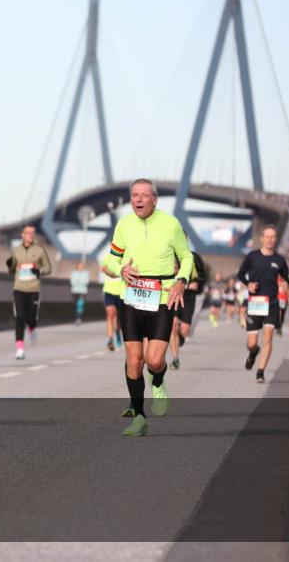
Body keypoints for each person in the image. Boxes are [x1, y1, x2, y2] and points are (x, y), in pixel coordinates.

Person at [104, 179, 192, 437]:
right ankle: (140, 417)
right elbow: (111, 259)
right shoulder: (123, 224)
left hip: (162, 297)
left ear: (155, 199)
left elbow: (186, 256)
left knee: (154, 361)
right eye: (134, 195)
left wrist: (181, 282)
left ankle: (159, 379)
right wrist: (120, 268)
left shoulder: (170, 224)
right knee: (133, 359)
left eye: (144, 195)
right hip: (130, 297)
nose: (138, 199)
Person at [236, 225, 289, 384]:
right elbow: (240, 274)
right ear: (262, 238)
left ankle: (260, 371)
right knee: (252, 343)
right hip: (255, 303)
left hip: (272, 303)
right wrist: (248, 284)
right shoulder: (252, 256)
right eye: (267, 236)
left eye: (273, 237)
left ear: (275, 239)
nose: (270, 240)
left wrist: (285, 284)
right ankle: (253, 353)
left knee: (268, 338)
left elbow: (286, 278)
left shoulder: (279, 260)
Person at [6, 225, 53, 359]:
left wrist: (39, 271)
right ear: (22, 235)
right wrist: (10, 265)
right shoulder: (15, 251)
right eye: (28, 233)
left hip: (33, 289)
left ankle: (32, 328)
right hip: (19, 288)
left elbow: (48, 268)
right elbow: (11, 270)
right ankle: (20, 350)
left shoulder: (40, 251)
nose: (30, 235)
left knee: (31, 318)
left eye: (33, 233)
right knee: (19, 318)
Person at [169, 248, 206, 369]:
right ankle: (175, 359)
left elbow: (202, 276)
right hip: (173, 294)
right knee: (173, 324)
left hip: (189, 296)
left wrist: (197, 284)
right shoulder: (169, 256)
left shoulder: (194, 257)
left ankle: (180, 336)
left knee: (185, 331)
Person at [102, 264, 125, 351]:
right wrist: (119, 272)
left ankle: (117, 332)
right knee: (110, 314)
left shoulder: (126, 256)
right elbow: (103, 268)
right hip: (109, 290)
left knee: (118, 317)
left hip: (121, 291)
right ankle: (110, 340)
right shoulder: (108, 257)